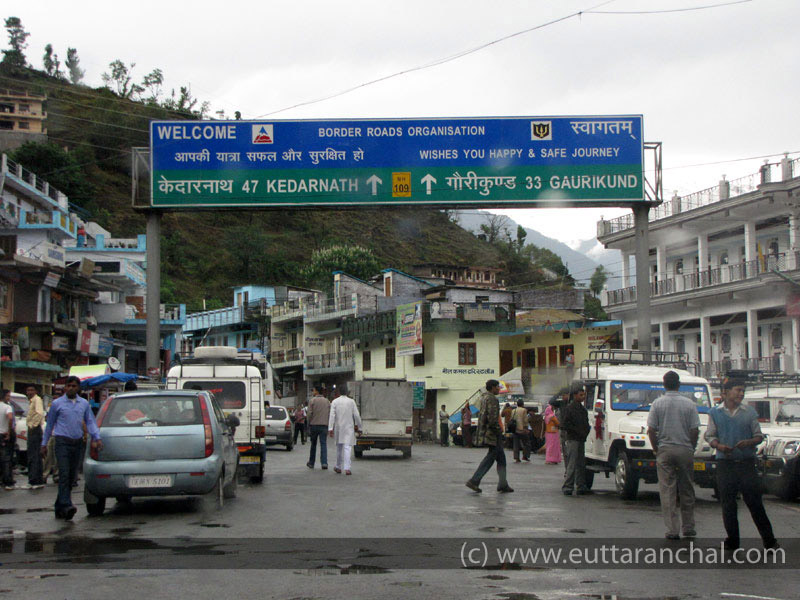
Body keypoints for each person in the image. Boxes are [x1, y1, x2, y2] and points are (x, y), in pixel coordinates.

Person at [706, 377, 779, 551]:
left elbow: (759, 436)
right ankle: (732, 541)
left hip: (746, 463)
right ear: (726, 393)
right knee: (728, 504)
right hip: (726, 463)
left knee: (755, 503)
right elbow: (710, 436)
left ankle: (770, 542)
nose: (741, 394)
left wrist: (749, 442)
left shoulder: (749, 413)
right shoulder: (715, 413)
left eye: (742, 391)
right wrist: (719, 446)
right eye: (738, 390)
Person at [646, 371, 700, 540]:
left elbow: (651, 430)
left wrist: (656, 449)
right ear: (679, 384)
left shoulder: (657, 404)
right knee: (687, 489)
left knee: (667, 490)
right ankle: (689, 527)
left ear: (664, 384)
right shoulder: (689, 404)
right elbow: (694, 429)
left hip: (665, 449)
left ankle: (672, 529)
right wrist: (690, 447)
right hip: (684, 449)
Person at [41, 376, 103, 520]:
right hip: (62, 442)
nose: (70, 388)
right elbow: (49, 425)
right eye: (68, 386)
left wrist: (96, 437)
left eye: (74, 386)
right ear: (65, 387)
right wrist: (43, 444)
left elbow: (91, 422)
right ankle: (67, 505)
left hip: (77, 443)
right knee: (63, 474)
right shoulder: (57, 404)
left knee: (71, 477)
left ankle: (60, 506)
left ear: (78, 388)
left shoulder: (84, 404)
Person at [465, 380, 514, 494]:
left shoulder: (484, 398)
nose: (499, 389)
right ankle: (474, 480)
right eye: (497, 387)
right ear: (492, 387)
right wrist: (498, 431)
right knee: (490, 458)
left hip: (487, 432)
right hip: (492, 434)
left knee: (501, 460)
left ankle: (503, 484)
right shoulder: (492, 399)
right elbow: (492, 419)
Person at [561, 383, 591, 496]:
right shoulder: (569, 409)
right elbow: (564, 424)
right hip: (573, 439)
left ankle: (580, 486)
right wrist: (577, 431)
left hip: (581, 439)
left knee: (581, 464)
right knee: (572, 464)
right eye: (581, 395)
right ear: (575, 395)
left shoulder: (583, 410)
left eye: (584, 395)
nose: (583, 397)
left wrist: (585, 432)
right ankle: (568, 486)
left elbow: (586, 424)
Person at [328, 386, 362, 475]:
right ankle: (347, 468)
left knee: (339, 448)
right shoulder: (351, 402)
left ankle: (338, 466)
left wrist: (330, 428)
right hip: (349, 428)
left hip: (338, 428)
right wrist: (360, 427)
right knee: (347, 447)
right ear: (347, 392)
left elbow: (332, 416)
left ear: (339, 392)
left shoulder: (335, 402)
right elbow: (357, 415)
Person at [25, 385, 46, 490]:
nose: (29, 392)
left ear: (36, 391)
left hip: (35, 430)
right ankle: (35, 479)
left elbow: (39, 413)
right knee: (34, 455)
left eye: (32, 390)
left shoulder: (37, 400)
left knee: (34, 455)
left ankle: (35, 480)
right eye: (28, 390)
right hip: (33, 430)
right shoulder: (31, 401)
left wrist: (33, 425)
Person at [306, 385, 330, 469]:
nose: (313, 392)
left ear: (316, 391)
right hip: (324, 426)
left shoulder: (312, 401)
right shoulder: (327, 401)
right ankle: (324, 463)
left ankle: (311, 462)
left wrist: (308, 423)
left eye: (313, 390)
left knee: (313, 444)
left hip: (314, 425)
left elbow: (309, 414)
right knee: (323, 444)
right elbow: (329, 413)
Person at [0, 390, 15, 490]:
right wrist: (9, 432)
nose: (9, 398)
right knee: (5, 459)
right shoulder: (7, 407)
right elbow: (10, 418)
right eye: (8, 396)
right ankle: (7, 482)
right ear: (4, 397)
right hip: (3, 435)